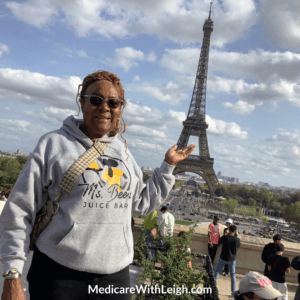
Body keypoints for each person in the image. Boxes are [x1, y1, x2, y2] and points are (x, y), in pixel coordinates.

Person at [0, 70, 196, 300]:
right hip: (58, 274)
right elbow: (20, 209)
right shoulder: (53, 144)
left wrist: (167, 167)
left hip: (115, 277)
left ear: (120, 109)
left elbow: (141, 205)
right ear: (81, 103)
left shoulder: (122, 151)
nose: (105, 107)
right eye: (96, 100)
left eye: (113, 102)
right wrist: (12, 274)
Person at [214, 225, 240, 296]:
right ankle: (233, 292)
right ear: (235, 231)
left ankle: (212, 288)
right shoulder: (237, 240)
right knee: (233, 275)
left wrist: (225, 234)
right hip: (232, 259)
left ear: (229, 230)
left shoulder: (225, 237)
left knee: (217, 272)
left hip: (223, 257)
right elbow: (237, 246)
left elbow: (219, 241)